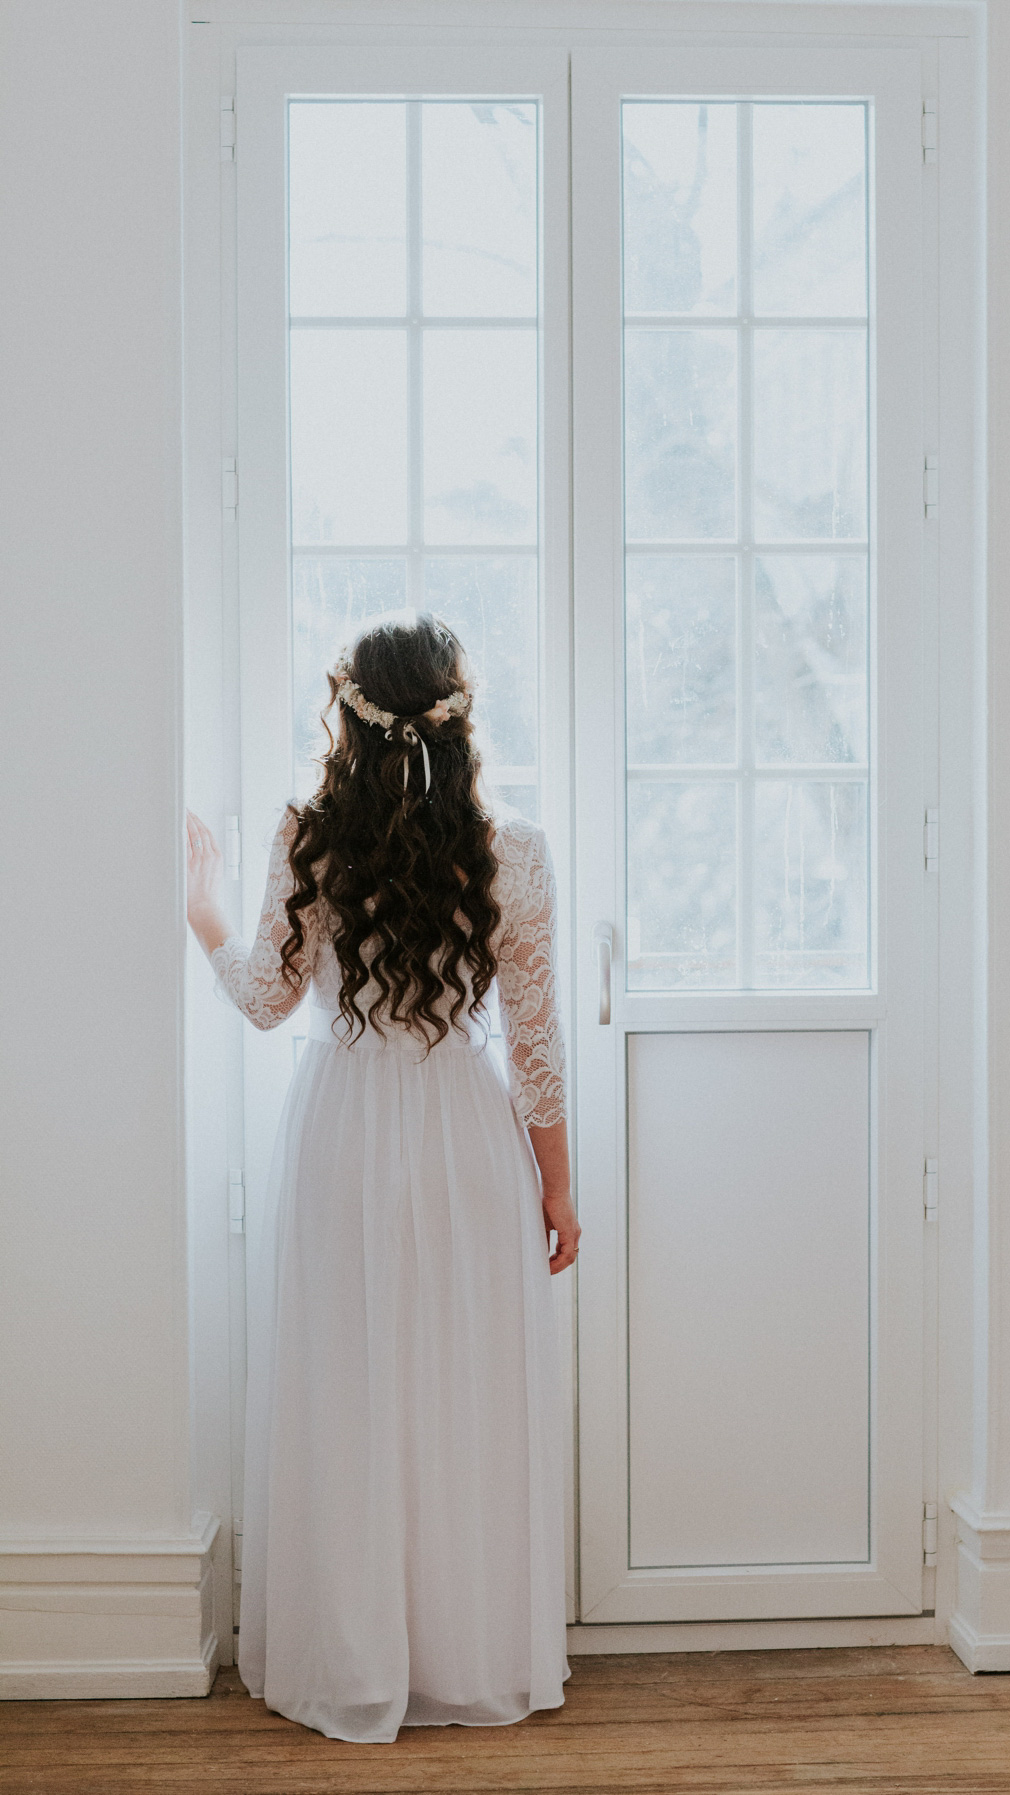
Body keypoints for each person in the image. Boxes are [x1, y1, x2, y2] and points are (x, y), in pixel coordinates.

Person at [185, 615, 580, 1744]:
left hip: (345, 1132)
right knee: (461, 1389)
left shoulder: (310, 836)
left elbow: (268, 998)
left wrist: (201, 907)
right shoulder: (515, 850)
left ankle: (353, 1651)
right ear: (459, 719)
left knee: (347, 1387)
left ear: (346, 715)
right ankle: (466, 1652)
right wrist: (557, 1190)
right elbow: (538, 1048)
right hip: (465, 1136)